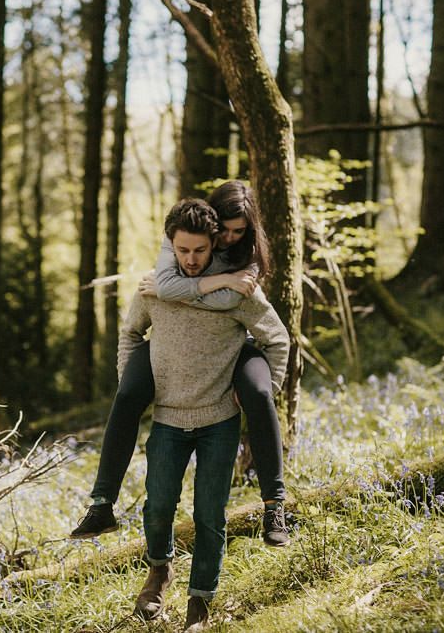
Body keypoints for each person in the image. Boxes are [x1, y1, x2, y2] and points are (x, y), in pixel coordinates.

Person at [70, 181, 290, 546]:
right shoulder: (173, 255)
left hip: (235, 349)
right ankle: (101, 504)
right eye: (227, 230)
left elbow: (266, 328)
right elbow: (137, 323)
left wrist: (275, 382)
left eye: (241, 231)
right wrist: (130, 374)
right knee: (126, 396)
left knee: (258, 393)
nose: (233, 238)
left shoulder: (244, 266)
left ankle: (274, 504)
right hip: (166, 346)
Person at [116, 199, 289, 629]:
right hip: (169, 418)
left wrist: (263, 392)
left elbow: (277, 339)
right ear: (171, 246)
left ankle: (200, 605)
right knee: (158, 507)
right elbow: (130, 334)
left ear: (213, 245)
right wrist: (135, 387)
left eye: (199, 251)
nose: (191, 260)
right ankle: (159, 573)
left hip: (218, 421)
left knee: (210, 514)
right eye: (183, 251)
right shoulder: (156, 287)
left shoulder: (237, 292)